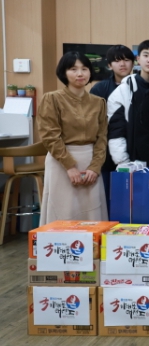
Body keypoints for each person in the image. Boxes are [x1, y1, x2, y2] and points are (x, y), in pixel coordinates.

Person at [38, 52, 108, 224]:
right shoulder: (52, 98)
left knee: (92, 214)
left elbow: (102, 138)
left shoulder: (99, 102)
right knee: (63, 212)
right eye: (73, 69)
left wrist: (95, 167)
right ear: (64, 72)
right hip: (61, 161)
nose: (80, 74)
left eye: (84, 69)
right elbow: (50, 136)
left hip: (90, 162)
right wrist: (70, 166)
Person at [90, 44, 135, 211]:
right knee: (109, 195)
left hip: (135, 146)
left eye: (126, 60)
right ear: (109, 65)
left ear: (133, 63)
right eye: (117, 61)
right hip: (107, 150)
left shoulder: (141, 86)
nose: (122, 64)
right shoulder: (100, 88)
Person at [107, 39, 149, 166]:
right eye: (146, 55)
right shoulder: (123, 91)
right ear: (138, 59)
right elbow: (116, 130)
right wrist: (123, 162)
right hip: (133, 161)